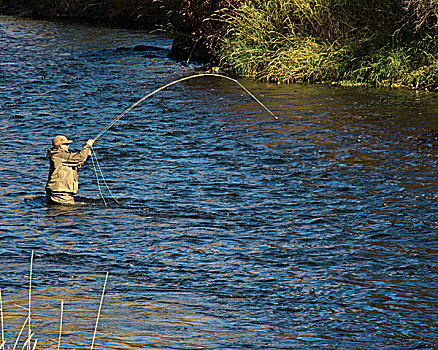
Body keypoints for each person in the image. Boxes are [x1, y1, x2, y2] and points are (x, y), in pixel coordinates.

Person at [45, 135, 95, 205]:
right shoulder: (58, 155)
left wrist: (87, 156)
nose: (68, 146)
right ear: (60, 146)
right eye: (66, 144)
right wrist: (87, 145)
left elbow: (77, 164)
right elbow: (79, 158)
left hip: (62, 194)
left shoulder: (62, 157)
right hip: (60, 194)